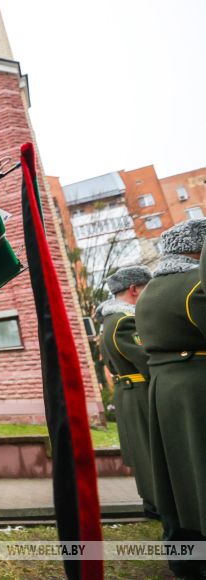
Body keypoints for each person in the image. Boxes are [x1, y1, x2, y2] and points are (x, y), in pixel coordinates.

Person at [135, 219, 206, 578]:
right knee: (199, 471)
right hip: (197, 389)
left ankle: (184, 557)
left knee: (177, 475)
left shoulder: (150, 290)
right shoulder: (194, 284)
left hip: (164, 389)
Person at [95, 266, 154, 517]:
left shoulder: (113, 320)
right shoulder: (125, 322)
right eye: (146, 289)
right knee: (149, 454)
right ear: (133, 289)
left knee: (144, 453)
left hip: (129, 392)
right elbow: (147, 360)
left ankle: (154, 503)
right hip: (139, 391)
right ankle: (157, 504)